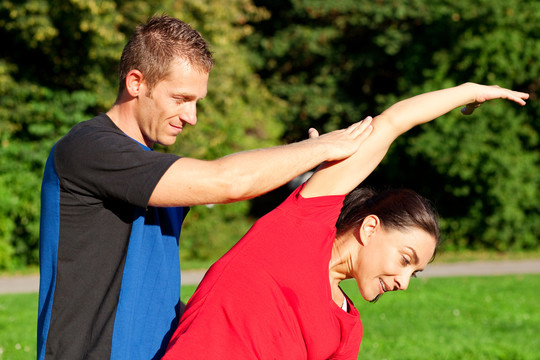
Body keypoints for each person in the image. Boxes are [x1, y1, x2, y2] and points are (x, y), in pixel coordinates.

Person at [37, 15, 374, 360]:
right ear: (136, 82)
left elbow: (153, 289)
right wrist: (319, 148)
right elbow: (228, 182)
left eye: (197, 101)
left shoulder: (151, 172)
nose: (192, 116)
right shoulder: (87, 149)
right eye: (181, 98)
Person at [162, 83, 529, 359]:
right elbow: (392, 123)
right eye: (405, 260)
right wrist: (467, 91)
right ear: (370, 228)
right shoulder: (302, 227)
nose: (403, 283)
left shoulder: (347, 328)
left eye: (413, 273)